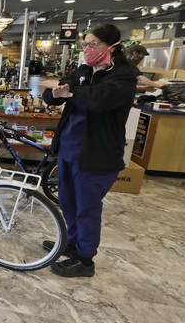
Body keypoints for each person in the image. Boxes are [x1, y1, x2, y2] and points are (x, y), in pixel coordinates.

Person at [38, 23, 137, 278]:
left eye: (93, 44)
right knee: (68, 203)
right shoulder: (83, 70)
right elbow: (52, 95)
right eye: (85, 44)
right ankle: (72, 245)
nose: (88, 49)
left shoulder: (123, 75)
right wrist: (58, 92)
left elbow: (99, 100)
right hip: (70, 150)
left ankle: (85, 260)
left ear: (112, 47)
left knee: (87, 208)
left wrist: (69, 91)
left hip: (97, 154)